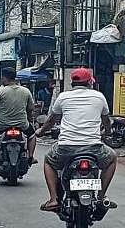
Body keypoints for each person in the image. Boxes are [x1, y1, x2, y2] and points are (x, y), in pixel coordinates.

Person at [36, 68, 117, 213]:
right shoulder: (99, 97)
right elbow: (106, 121)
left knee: (48, 160)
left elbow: (51, 120)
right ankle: (101, 195)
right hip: (94, 148)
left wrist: (41, 131)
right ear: (89, 83)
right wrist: (108, 134)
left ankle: (54, 199)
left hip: (66, 148)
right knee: (112, 158)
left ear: (72, 83)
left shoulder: (63, 97)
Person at [0, 68, 37, 165]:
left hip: (3, 124)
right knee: (32, 134)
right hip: (22, 124)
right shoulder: (26, 91)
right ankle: (31, 156)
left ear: (4, 78)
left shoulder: (0, 91)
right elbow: (31, 108)